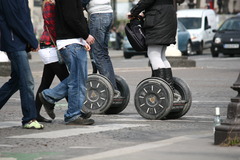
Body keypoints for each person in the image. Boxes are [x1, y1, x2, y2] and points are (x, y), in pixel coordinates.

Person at [39, 0, 95, 125]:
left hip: (74, 41)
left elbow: (76, 17)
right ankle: (72, 115)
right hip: (71, 42)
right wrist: (85, 35)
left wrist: (83, 39)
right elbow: (71, 18)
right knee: (77, 80)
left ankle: (50, 97)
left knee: (78, 78)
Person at [0, 0, 44, 129]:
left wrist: (29, 41)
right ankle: (29, 119)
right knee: (27, 81)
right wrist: (32, 40)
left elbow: (25, 19)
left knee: (17, 80)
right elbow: (14, 20)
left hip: (19, 43)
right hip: (14, 43)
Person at [128, 0, 177, 90]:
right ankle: (170, 87)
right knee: (161, 56)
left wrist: (133, 12)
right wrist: (145, 13)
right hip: (168, 18)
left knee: (153, 54)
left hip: (158, 22)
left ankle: (162, 88)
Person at [35, 0, 69, 123]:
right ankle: (76, 111)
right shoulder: (49, 3)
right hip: (50, 46)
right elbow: (52, 25)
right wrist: (61, 41)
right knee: (67, 80)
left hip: (50, 46)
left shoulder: (53, 3)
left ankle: (35, 113)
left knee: (45, 83)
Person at [86, 0, 121, 98]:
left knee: (98, 54)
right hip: (108, 14)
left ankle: (111, 90)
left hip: (98, 15)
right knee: (103, 53)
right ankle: (113, 87)